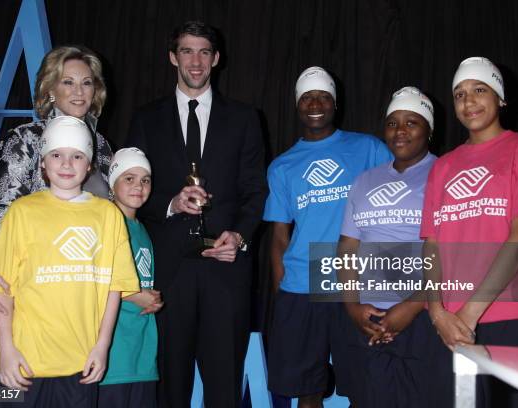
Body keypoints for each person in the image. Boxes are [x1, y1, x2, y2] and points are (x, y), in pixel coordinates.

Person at [126, 21, 267, 407]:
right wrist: (170, 204)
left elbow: (256, 191)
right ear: (173, 57)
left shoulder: (244, 117)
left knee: (224, 385)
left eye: (204, 51)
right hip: (168, 271)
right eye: (187, 51)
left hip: (226, 270)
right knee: (169, 385)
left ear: (216, 59)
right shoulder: (146, 118)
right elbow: (129, 187)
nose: (196, 60)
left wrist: (237, 237)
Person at [0, 45, 113, 359]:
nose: (79, 91)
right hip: (26, 291)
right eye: (68, 82)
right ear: (51, 90)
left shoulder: (103, 148)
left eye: (87, 82)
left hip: (83, 298)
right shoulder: (26, 139)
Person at [421, 57, 518, 408]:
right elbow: (431, 246)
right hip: (452, 326)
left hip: (514, 314)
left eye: (479, 90)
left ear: (501, 98)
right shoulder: (443, 167)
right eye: (460, 94)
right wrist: (438, 314)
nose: (469, 101)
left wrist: (469, 314)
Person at [0, 116, 140, 407]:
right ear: (43, 162)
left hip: (78, 364)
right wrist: (5, 348)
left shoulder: (108, 216)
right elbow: (2, 288)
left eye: (77, 156)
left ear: (89, 164)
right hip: (22, 361)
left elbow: (114, 288)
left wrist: (102, 346)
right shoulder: (22, 212)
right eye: (57, 155)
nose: (67, 164)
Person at [264, 66, 392, 407]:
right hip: (303, 284)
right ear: (297, 105)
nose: (315, 102)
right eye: (307, 96)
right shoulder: (282, 166)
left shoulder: (368, 149)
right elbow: (279, 235)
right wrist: (281, 294)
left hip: (358, 281)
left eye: (323, 96)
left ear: (335, 103)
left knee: (367, 386)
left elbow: (400, 199)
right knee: (308, 392)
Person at [333, 87, 437, 407]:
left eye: (411, 122)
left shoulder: (444, 173)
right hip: (369, 318)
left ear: (429, 130)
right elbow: (347, 247)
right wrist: (352, 306)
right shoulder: (364, 180)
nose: (400, 131)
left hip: (425, 316)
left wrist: (412, 306)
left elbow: (453, 253)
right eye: (392, 123)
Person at [99, 147, 163, 408]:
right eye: (129, 178)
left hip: (142, 353)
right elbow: (93, 280)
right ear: (112, 183)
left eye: (145, 180)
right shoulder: (105, 223)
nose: (139, 186)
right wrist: (136, 295)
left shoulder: (142, 229)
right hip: (113, 355)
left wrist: (150, 297)